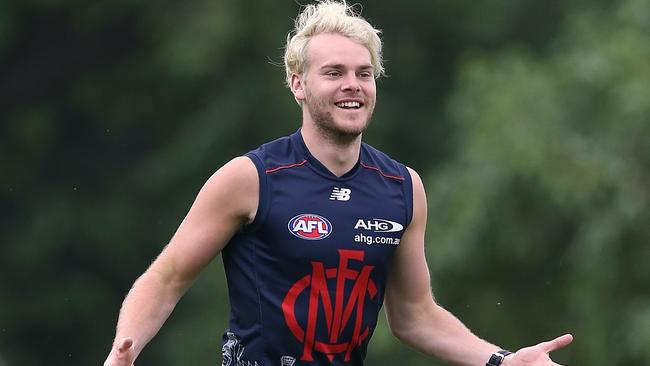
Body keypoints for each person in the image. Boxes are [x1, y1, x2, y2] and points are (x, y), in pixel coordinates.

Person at [104, 1, 573, 365]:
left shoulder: (402, 187)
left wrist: (501, 360)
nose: (353, 84)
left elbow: (414, 317)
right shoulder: (250, 178)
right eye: (334, 73)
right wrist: (123, 351)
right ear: (298, 85)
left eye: (363, 74)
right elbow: (167, 278)